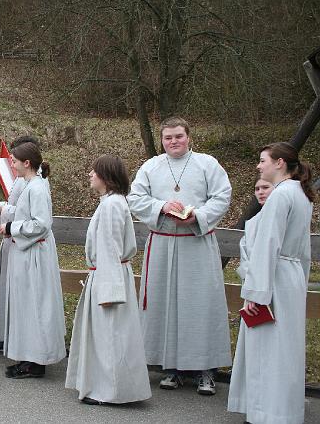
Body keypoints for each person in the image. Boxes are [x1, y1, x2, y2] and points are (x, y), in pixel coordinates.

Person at [127, 116, 232, 395]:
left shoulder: (207, 164)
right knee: (165, 304)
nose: (173, 141)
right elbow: (135, 197)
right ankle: (170, 368)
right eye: (168, 137)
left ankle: (206, 371)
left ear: (189, 137)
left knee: (200, 307)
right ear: (162, 140)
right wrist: (162, 206)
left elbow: (222, 196)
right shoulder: (151, 166)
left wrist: (197, 215)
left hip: (196, 244)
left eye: (178, 136)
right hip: (162, 244)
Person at [228, 142, 314, 424]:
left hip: (274, 277)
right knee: (284, 349)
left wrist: (256, 293)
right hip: (289, 277)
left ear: (279, 163)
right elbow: (303, 250)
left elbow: (267, 245)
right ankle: (280, 411)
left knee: (269, 349)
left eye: (262, 160)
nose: (258, 165)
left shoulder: (281, 196)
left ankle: (267, 414)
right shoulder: (301, 194)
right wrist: (301, 278)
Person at [65, 154, 151, 404]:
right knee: (105, 334)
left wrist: (110, 290)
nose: (90, 175)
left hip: (109, 274)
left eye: (94, 171)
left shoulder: (113, 205)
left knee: (110, 334)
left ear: (106, 176)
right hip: (104, 273)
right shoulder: (110, 202)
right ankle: (102, 386)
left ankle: (110, 391)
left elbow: (110, 248)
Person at [0, 142, 66, 378]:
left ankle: (36, 362)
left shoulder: (37, 188)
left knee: (35, 306)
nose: (13, 164)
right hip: (26, 252)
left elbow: (42, 223)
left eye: (15, 161)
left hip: (35, 256)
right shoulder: (30, 185)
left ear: (27, 163)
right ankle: (28, 357)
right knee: (25, 306)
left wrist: (11, 226)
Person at [0, 135, 39, 354]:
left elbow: (30, 217)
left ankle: (10, 338)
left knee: (15, 293)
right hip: (11, 240)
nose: (11, 163)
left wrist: (4, 210)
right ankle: (0, 335)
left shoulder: (34, 183)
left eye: (15, 158)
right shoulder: (24, 179)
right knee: (2, 289)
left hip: (20, 243)